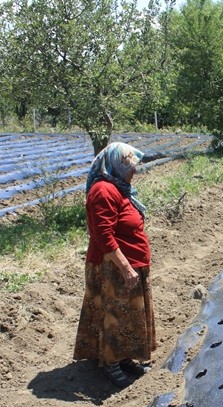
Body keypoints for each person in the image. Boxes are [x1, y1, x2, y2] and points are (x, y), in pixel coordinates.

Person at [74, 142, 156, 389]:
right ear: (116, 166)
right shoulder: (103, 191)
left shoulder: (120, 189)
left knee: (129, 316)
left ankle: (125, 358)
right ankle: (110, 363)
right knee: (114, 316)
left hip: (130, 264)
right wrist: (125, 267)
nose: (135, 171)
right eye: (130, 166)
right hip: (113, 268)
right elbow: (103, 235)